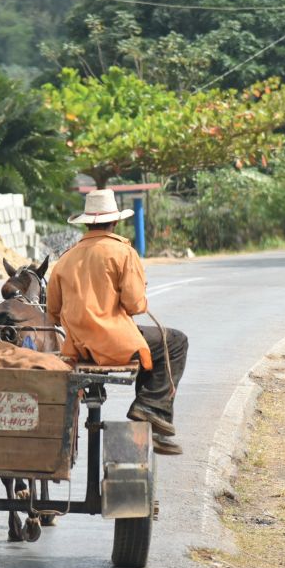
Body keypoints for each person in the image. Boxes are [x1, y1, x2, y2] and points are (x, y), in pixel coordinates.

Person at [46, 189, 188, 455]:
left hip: (78, 348)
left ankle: (149, 411)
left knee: (157, 342)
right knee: (175, 341)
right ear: (115, 222)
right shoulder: (122, 252)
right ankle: (151, 407)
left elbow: (52, 312)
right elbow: (135, 304)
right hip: (115, 346)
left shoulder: (65, 258)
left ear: (87, 222)